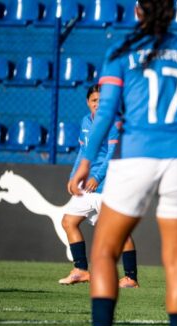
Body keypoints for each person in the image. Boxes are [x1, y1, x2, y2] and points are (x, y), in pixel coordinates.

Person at [65, 0, 177, 326]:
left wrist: (84, 162)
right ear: (174, 13)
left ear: (137, 11)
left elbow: (104, 116)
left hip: (135, 155)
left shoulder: (121, 52)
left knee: (103, 252)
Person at [59, 85, 139, 289]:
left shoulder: (114, 123)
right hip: (88, 186)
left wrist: (96, 176)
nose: (98, 104)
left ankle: (130, 278)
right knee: (68, 221)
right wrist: (73, 176)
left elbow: (112, 154)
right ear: (88, 102)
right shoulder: (85, 122)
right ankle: (81, 270)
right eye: (94, 101)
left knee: (118, 232)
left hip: (109, 185)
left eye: (102, 101)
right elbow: (83, 152)